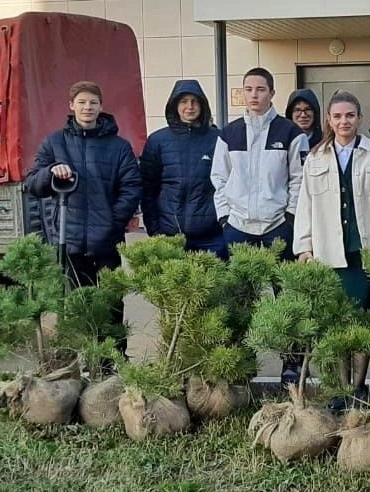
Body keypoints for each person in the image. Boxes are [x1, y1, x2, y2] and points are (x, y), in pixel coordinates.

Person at [293, 91, 370, 410]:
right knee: (335, 322)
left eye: (349, 115)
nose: (343, 121)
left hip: (364, 252)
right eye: (337, 116)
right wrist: (304, 247)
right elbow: (305, 204)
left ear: (359, 118)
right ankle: (340, 389)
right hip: (329, 252)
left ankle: (359, 388)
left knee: (362, 321)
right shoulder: (316, 158)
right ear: (329, 120)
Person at [25, 81, 142, 348]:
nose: (87, 107)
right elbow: (32, 182)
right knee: (78, 302)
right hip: (69, 239)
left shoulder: (118, 146)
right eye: (82, 102)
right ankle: (87, 358)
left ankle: (113, 359)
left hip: (106, 241)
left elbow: (132, 187)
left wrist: (114, 222)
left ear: (101, 107)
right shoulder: (54, 143)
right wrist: (51, 171)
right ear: (71, 106)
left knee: (111, 302)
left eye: (92, 102)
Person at [211, 68, 305, 262]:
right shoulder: (229, 133)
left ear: (272, 93)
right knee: (242, 289)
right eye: (248, 89)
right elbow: (219, 178)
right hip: (237, 225)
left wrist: (291, 216)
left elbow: (299, 178)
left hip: (278, 224)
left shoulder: (291, 132)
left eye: (261, 89)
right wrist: (224, 217)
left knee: (283, 287)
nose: (254, 95)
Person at [139, 79, 225, 256]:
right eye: (184, 101)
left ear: (202, 106)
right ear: (174, 106)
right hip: (168, 236)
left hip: (211, 237)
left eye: (195, 101)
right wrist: (155, 230)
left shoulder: (219, 139)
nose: (190, 106)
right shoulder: (157, 141)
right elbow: (147, 190)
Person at [285, 88, 323, 165]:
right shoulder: (283, 143)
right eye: (297, 110)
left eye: (308, 109)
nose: (303, 115)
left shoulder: (325, 141)